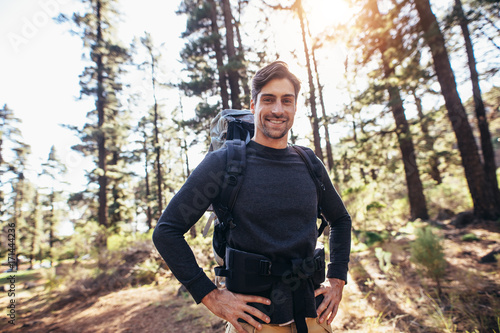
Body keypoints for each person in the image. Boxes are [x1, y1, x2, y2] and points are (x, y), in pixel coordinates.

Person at [152, 61, 351, 333]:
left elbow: (340, 219)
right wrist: (211, 296)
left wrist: (337, 279)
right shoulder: (223, 164)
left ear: (295, 107)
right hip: (255, 324)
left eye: (286, 100)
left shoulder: (309, 162)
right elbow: (166, 231)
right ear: (254, 104)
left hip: (312, 317)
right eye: (268, 99)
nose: (278, 109)